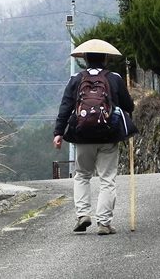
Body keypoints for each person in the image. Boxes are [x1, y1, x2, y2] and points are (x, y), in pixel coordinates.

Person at [53, 39, 135, 235]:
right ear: (105, 59)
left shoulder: (76, 79)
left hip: (82, 136)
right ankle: (104, 223)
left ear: (85, 59)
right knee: (107, 179)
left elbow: (65, 108)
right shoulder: (114, 78)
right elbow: (128, 106)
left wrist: (58, 133)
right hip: (108, 135)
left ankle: (83, 214)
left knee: (82, 175)